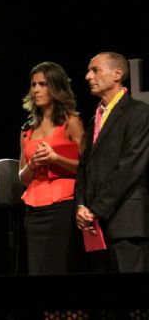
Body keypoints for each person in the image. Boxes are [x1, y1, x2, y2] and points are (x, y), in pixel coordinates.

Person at [74, 51, 149, 273]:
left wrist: (96, 208)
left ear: (117, 74)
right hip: (95, 225)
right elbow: (84, 168)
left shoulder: (139, 113)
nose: (88, 76)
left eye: (95, 70)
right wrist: (81, 205)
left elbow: (130, 166)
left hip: (126, 222)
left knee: (134, 299)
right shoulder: (93, 119)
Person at [18, 61, 85, 275]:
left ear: (56, 87)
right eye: (34, 84)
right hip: (34, 208)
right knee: (37, 268)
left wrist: (56, 158)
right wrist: (33, 163)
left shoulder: (71, 122)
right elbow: (22, 178)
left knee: (59, 265)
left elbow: (87, 168)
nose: (36, 90)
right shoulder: (27, 129)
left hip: (63, 205)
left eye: (43, 84)